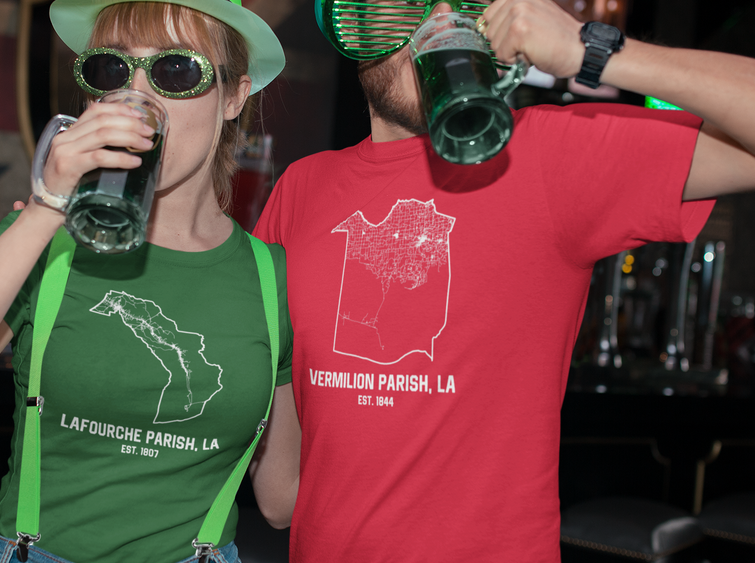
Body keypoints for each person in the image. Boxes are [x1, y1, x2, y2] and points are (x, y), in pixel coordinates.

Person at [252, 0, 755, 561]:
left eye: (464, 11)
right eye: (403, 11)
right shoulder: (302, 188)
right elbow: (280, 497)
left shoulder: (548, 155)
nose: (436, 29)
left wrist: (592, 51)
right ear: (355, 29)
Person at [0, 1, 300, 562]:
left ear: (235, 96)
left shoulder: (270, 278)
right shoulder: (41, 240)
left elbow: (282, 499)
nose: (135, 98)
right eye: (111, 71)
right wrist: (47, 208)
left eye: (176, 71)